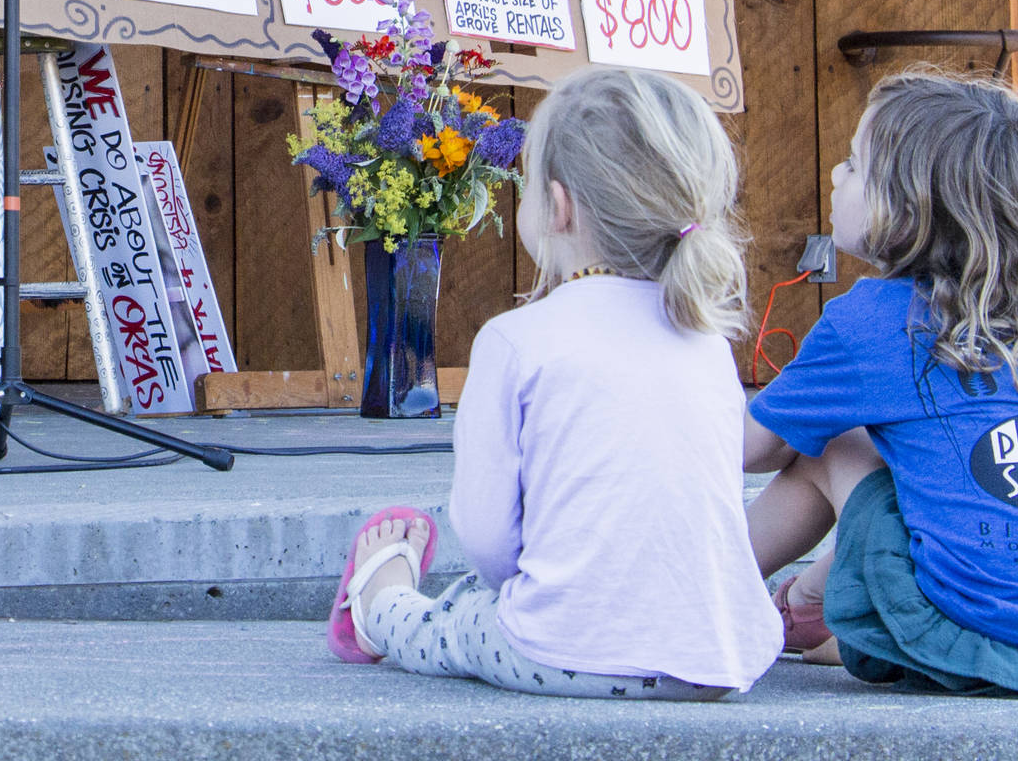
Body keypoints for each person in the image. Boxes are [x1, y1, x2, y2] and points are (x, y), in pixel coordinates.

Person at [326, 67, 783, 699]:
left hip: (564, 652)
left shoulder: (515, 340)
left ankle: (380, 608)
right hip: (718, 662)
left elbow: (489, 544)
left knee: (455, 620)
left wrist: (538, 590)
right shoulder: (706, 342)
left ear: (558, 206)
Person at [744, 69, 1018, 699]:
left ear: (910, 208)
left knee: (833, 445)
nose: (836, 174)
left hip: (973, 622)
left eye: (855, 165)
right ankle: (823, 617)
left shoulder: (877, 321)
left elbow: (745, 450)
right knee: (914, 464)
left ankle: (705, 591)